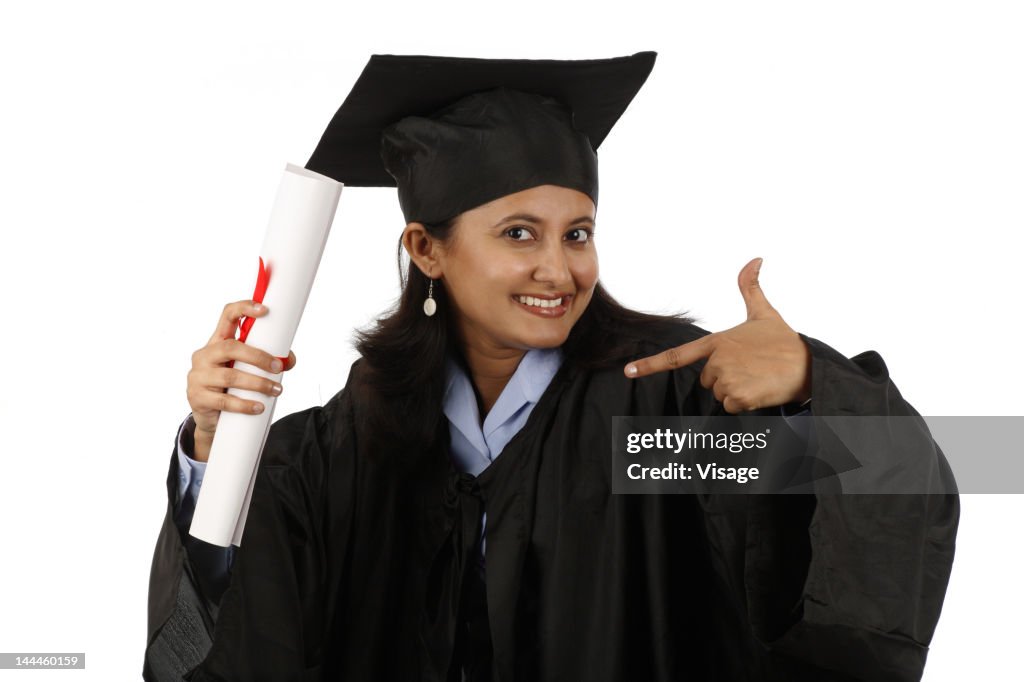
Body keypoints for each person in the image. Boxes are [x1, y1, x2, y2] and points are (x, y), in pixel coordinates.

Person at [144, 53, 958, 681]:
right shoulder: (346, 450)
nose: (559, 270)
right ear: (427, 249)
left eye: (577, 233)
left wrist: (816, 389)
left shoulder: (653, 431)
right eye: (518, 233)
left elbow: (931, 479)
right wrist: (216, 456)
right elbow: (236, 637)